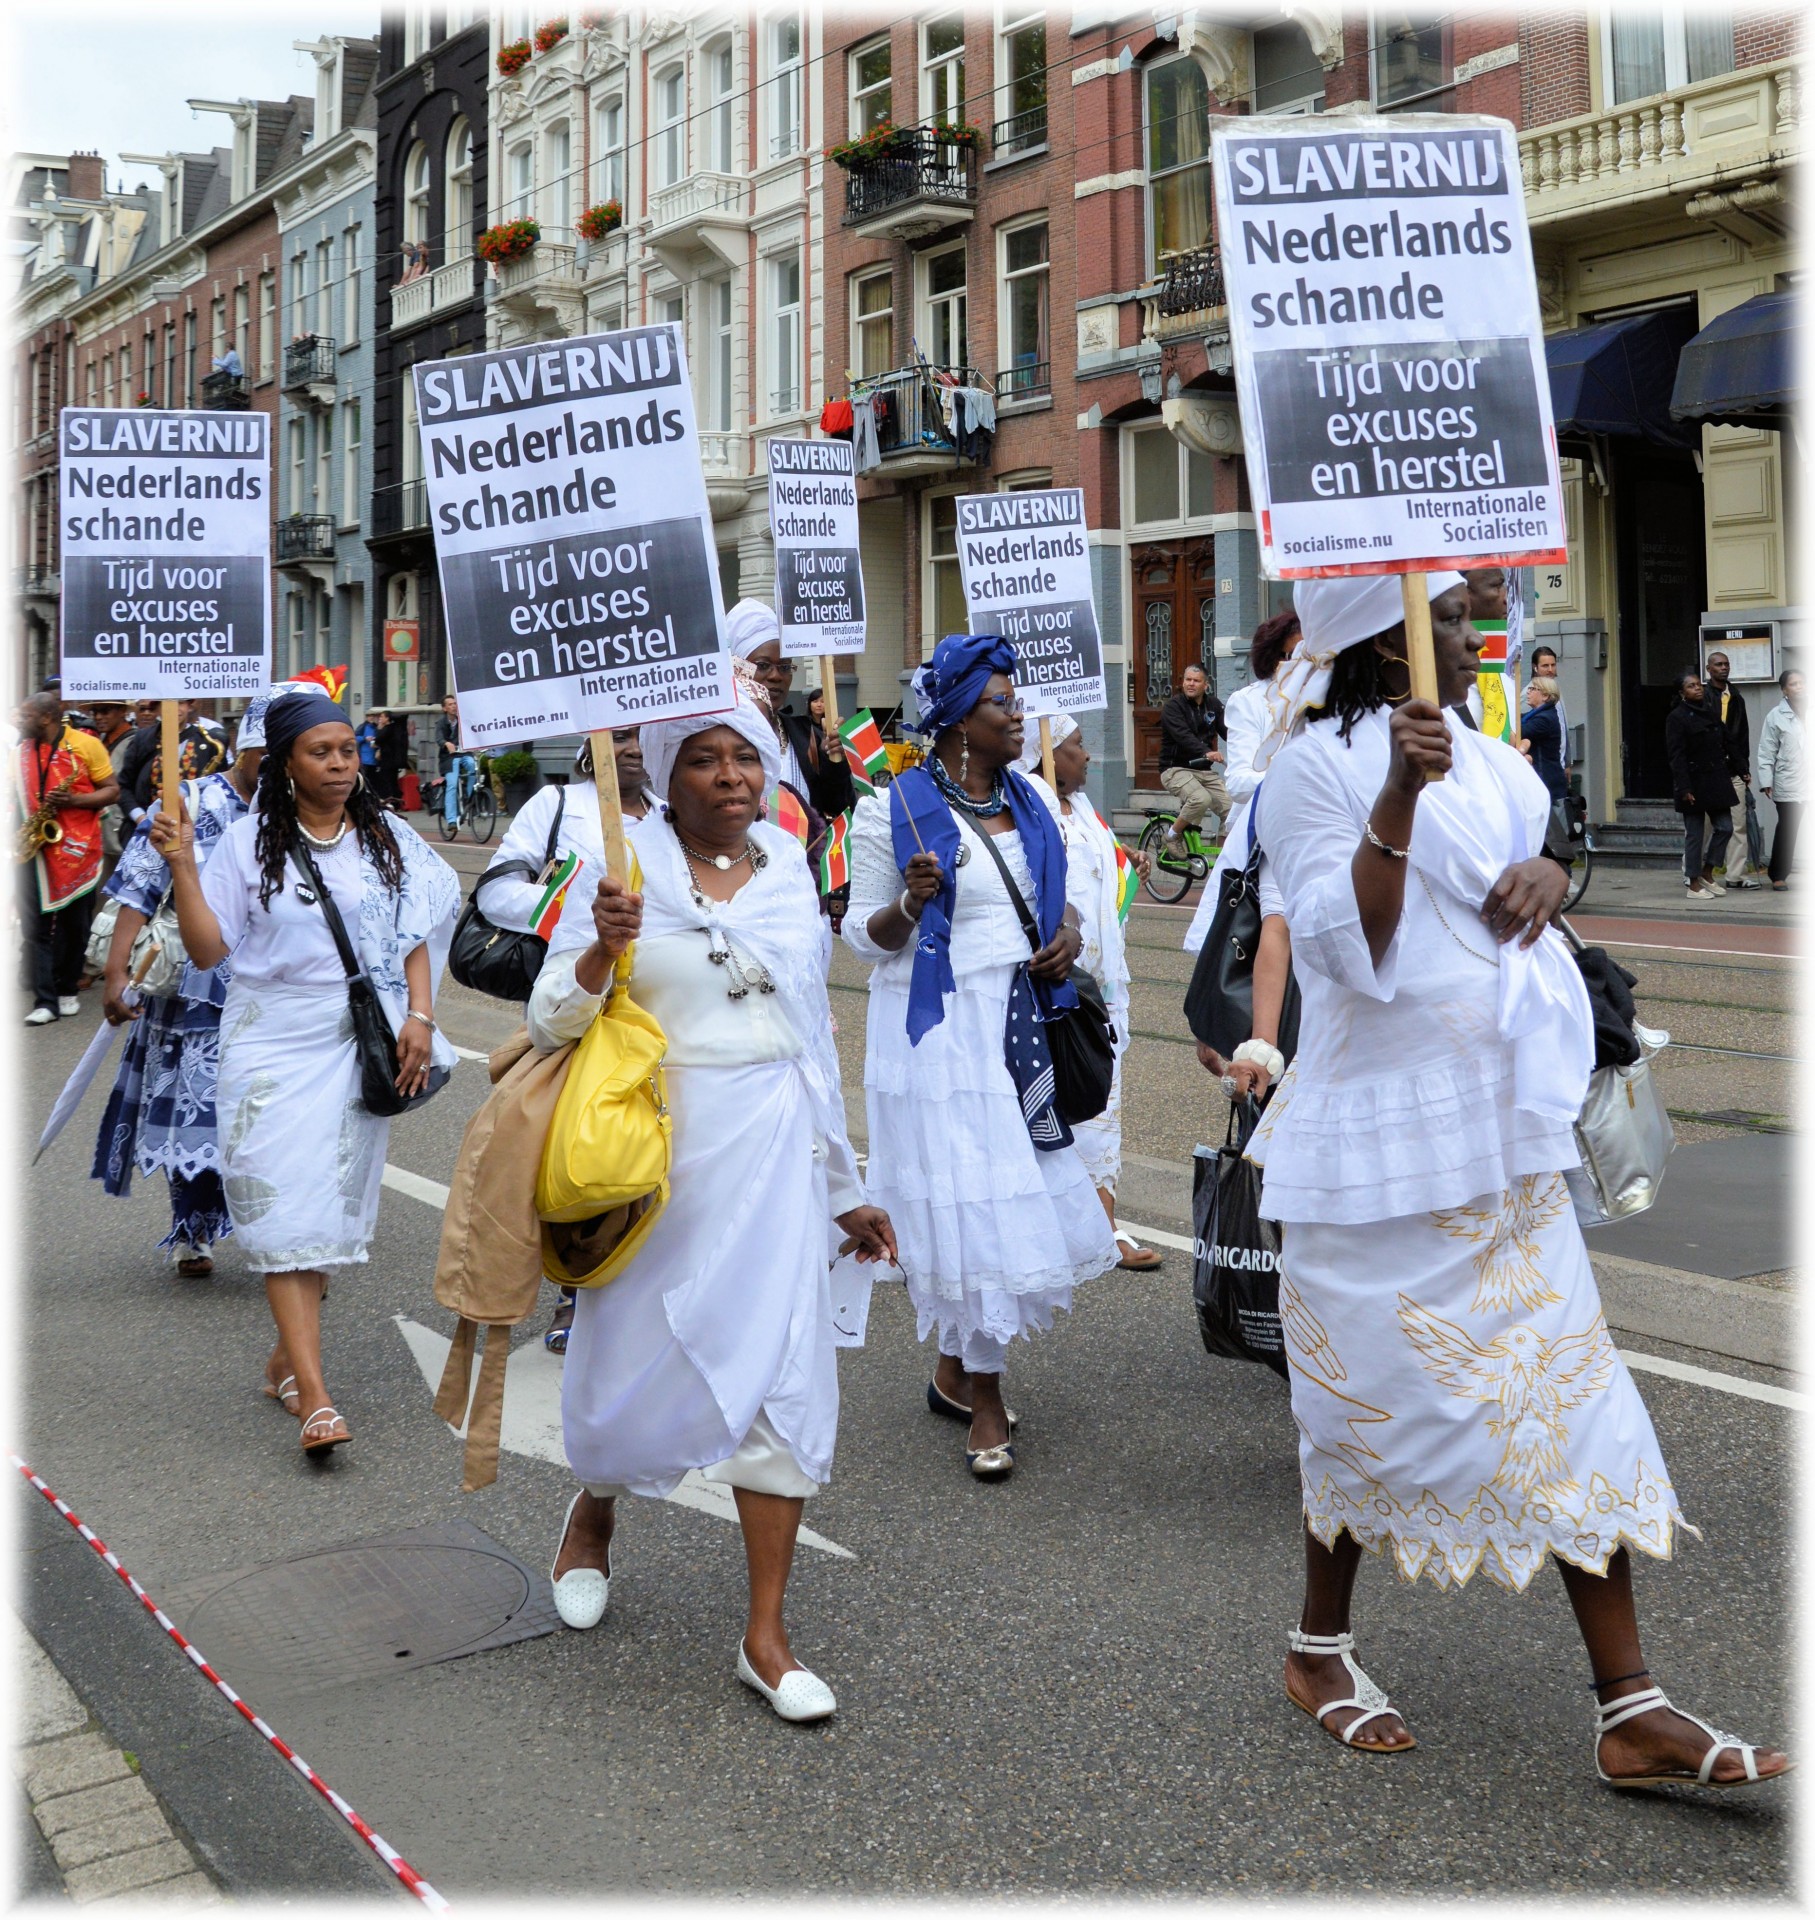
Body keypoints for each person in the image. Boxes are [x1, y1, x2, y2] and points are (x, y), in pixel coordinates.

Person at [1245, 570, 1787, 1788]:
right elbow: (1352, 945)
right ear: (1386, 647)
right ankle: (1318, 1650)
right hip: (1370, 1156)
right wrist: (1398, 788)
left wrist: (1550, 872)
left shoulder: (1494, 761)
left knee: (1572, 1401)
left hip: (1502, 1138)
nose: (1465, 632)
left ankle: (1631, 1709)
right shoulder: (1308, 773)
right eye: (1440, 619)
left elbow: (1533, 865)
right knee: (1358, 1416)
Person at [530, 671, 895, 1723]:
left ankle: (766, 1638)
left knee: (784, 1382)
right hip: (654, 1169)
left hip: (777, 1163)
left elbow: (812, 1045)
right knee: (630, 1374)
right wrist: (604, 941)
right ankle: (593, 1509)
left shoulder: (788, 872)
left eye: (745, 754)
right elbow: (552, 1016)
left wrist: (845, 1187)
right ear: (665, 766)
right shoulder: (618, 862)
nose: (732, 776)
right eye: (706, 756)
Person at [152, 690, 460, 1457]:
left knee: (321, 1211)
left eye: (346, 751)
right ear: (285, 762)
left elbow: (415, 925)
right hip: (267, 1039)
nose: (338, 765)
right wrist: (183, 865)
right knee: (281, 1205)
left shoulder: (384, 835)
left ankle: (288, 1361)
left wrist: (419, 1016)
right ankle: (316, 1398)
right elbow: (208, 952)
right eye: (319, 752)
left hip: (353, 1040)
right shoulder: (248, 843)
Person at [843, 634, 1119, 1480]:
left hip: (1020, 1021)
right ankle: (987, 1394)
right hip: (937, 1033)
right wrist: (908, 902)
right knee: (969, 1202)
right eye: (1003, 702)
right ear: (961, 717)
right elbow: (861, 937)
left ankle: (954, 1371)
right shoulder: (888, 808)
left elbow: (1060, 893)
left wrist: (1067, 935)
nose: (1019, 713)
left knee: (1004, 1198)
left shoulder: (1034, 798)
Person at [91, 688, 278, 1278]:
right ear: (247, 747)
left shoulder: (305, 815)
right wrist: (118, 971)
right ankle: (194, 1230)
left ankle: (287, 1240)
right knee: (196, 1121)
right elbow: (138, 886)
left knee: (274, 1121)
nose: (278, 765)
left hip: (277, 994)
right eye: (268, 752)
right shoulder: (192, 799)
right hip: (198, 992)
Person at [479, 725, 653, 1355]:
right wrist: (578, 921)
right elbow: (496, 891)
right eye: (624, 736)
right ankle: (579, 1289)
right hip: (587, 1005)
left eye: (647, 738)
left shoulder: (671, 819)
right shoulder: (557, 804)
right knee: (596, 1158)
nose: (635, 748)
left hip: (660, 1022)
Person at [1020, 716, 1159, 1271]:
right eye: (1075, 746)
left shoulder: (1081, 809)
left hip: (1103, 987)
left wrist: (1127, 859)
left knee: (1104, 1101)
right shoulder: (1030, 805)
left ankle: (1103, 1222)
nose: (1086, 757)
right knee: (1060, 1105)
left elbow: (1095, 865)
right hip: (1055, 986)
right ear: (1044, 753)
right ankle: (1059, 1224)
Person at [1185, 613, 1300, 954]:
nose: (1306, 664)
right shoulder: (1249, 702)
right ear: (1274, 659)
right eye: (1295, 655)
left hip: (1315, 829)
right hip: (1262, 839)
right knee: (1269, 937)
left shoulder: (1327, 698)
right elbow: (1237, 782)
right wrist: (1299, 776)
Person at [17, 692, 119, 1025]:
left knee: (75, 927)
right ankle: (45, 1000)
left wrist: (74, 798)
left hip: (78, 848)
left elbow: (111, 790)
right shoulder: (19, 752)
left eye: (25, 715)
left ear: (45, 718)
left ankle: (66, 990)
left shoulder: (85, 745)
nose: (19, 721)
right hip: (34, 850)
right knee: (37, 928)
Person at [1664, 669, 1737, 903]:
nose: (1698, 688)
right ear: (1682, 693)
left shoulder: (1711, 711)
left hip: (1716, 779)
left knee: (1725, 827)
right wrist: (1684, 788)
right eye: (1691, 686)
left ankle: (1708, 872)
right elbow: (1676, 755)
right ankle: (1693, 883)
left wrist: (1742, 768)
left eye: (1699, 685)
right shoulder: (1676, 717)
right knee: (1694, 835)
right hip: (1693, 782)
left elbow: (1726, 741)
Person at [1158, 663, 1228, 857]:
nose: (1191, 684)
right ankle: (1171, 835)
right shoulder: (1173, 707)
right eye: (1187, 680)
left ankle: (1224, 860)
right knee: (1200, 799)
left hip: (1204, 771)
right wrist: (1207, 752)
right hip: (1175, 769)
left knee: (1232, 809)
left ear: (1205, 685)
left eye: (1196, 681)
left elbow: (1229, 732)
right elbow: (1183, 736)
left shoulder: (1213, 705)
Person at [1703, 650, 1760, 887]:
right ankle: (1693, 872)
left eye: (1726, 664)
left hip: (1733, 769)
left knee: (1738, 824)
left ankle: (1735, 875)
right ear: (1709, 669)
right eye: (1718, 664)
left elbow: (1742, 736)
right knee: (1704, 825)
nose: (1724, 668)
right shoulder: (1702, 696)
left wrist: (1744, 767)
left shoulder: (1736, 697)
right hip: (1707, 771)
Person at [1757, 666, 1803, 891]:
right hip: (1789, 781)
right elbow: (1767, 750)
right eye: (1793, 684)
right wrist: (1766, 780)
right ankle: (1778, 874)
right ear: (1784, 690)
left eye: (1801, 683)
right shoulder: (1775, 716)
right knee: (1788, 828)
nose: (1799, 687)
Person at [1522, 676, 1569, 802]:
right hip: (1543, 777)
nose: (1528, 691)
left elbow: (1520, 732)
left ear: (1545, 696)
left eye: (1533, 689)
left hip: (1546, 780)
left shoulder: (1545, 719)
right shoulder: (1535, 715)